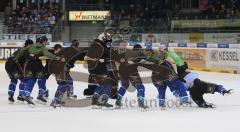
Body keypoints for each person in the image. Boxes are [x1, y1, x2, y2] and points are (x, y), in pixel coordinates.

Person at [14, 36, 64, 105]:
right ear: (44, 42)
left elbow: (22, 51)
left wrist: (16, 58)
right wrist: (57, 58)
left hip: (28, 65)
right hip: (37, 65)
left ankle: (27, 95)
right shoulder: (43, 48)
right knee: (42, 77)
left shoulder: (31, 46)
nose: (46, 43)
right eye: (46, 42)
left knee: (31, 80)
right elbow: (48, 54)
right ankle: (41, 94)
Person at [49, 41, 87, 108]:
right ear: (77, 46)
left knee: (66, 83)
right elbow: (80, 56)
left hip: (59, 70)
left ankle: (59, 98)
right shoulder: (72, 50)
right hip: (61, 70)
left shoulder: (65, 51)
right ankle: (56, 100)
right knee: (63, 84)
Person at [84, 32, 114, 108]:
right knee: (107, 84)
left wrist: (106, 60)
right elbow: (86, 57)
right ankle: (103, 101)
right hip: (98, 69)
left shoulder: (99, 45)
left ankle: (94, 102)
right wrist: (99, 60)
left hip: (93, 70)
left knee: (101, 84)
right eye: (107, 38)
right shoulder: (97, 45)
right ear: (103, 38)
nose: (109, 40)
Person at [115, 44, 148, 109]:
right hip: (132, 72)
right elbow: (146, 59)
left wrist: (120, 60)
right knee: (140, 86)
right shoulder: (140, 53)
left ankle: (118, 102)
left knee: (125, 85)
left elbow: (116, 58)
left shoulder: (126, 53)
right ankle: (140, 101)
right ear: (139, 49)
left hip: (122, 72)